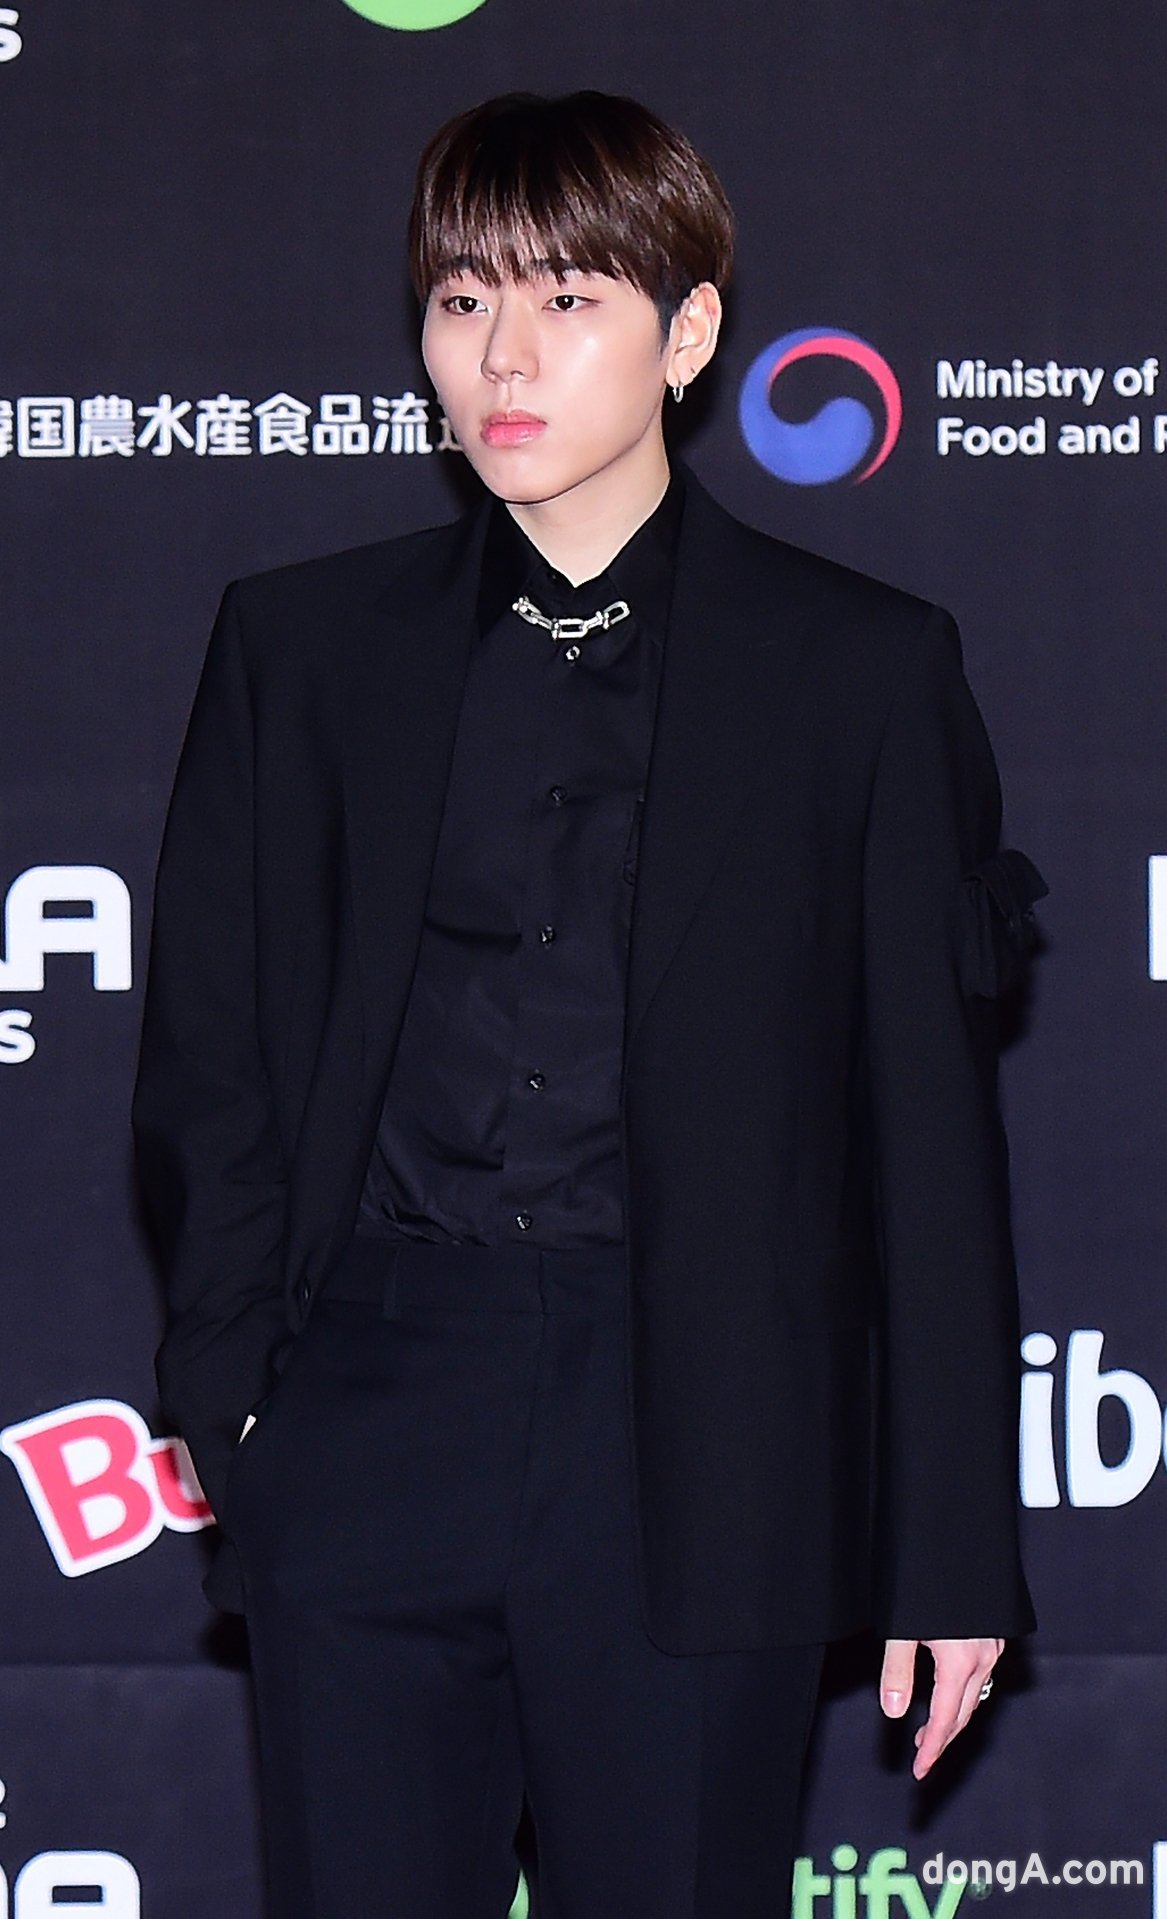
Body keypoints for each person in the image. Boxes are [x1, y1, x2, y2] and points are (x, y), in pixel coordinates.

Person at [131, 88, 1045, 1919]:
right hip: (371, 1411)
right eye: (462, 300)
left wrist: (951, 1544)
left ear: (688, 335)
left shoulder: (859, 672)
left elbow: (928, 1132)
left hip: (702, 1438)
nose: (504, 357)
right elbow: (208, 1062)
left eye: (568, 300)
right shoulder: (301, 650)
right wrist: (246, 1411)